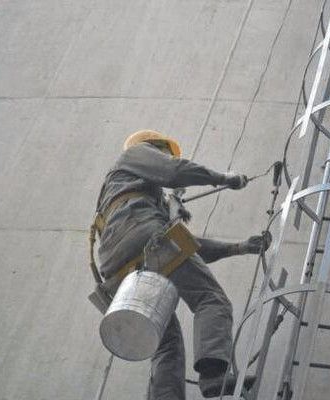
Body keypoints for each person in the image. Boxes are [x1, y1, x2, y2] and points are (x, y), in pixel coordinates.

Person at [95, 130, 268, 399]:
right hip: (145, 241)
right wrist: (224, 178)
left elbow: (183, 246)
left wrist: (239, 247)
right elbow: (174, 171)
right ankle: (213, 375)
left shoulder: (133, 197)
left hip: (117, 270)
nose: (166, 158)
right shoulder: (133, 154)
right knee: (210, 299)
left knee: (167, 343)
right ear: (153, 147)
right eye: (164, 153)